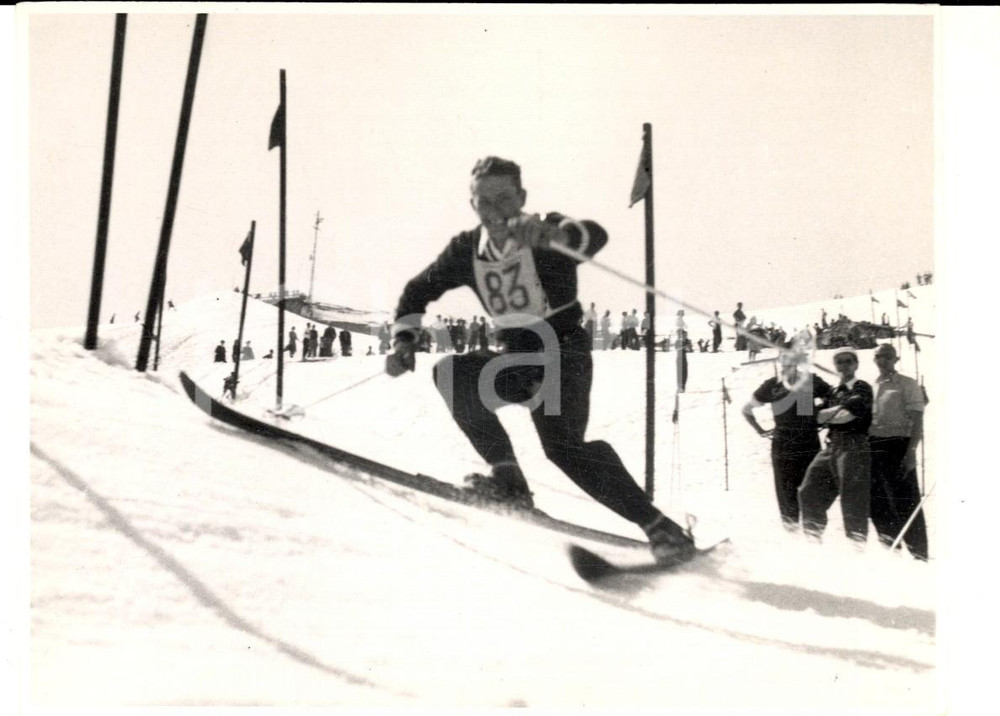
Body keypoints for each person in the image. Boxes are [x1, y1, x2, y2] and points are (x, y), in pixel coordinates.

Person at [385, 155, 695, 565]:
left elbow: (592, 236)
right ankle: (508, 478)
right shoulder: (466, 250)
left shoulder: (546, 229)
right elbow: (416, 290)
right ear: (472, 204)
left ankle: (661, 528)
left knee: (564, 449)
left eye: (504, 199)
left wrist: (552, 234)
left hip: (563, 353)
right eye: (484, 202)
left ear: (522, 198)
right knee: (452, 373)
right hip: (515, 359)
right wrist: (405, 338)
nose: (495, 211)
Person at [743, 350, 834, 531]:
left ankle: (814, 536)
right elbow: (747, 409)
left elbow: (833, 397)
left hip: (808, 442)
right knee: (786, 493)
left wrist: (819, 414)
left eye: (790, 362)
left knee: (811, 490)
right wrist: (760, 430)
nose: (786, 366)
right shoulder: (772, 385)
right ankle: (791, 535)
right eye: (783, 362)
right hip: (783, 445)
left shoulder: (810, 380)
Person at [797, 347, 874, 544]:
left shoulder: (862, 387)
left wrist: (828, 414)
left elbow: (845, 417)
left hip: (853, 445)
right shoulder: (834, 391)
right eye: (839, 362)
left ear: (856, 364)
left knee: (852, 499)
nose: (844, 365)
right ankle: (813, 540)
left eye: (848, 361)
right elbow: (812, 416)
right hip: (831, 446)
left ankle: (856, 547)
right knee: (808, 490)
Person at [868, 344, 928, 560]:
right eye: (878, 357)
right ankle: (891, 548)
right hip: (874, 447)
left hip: (898, 446)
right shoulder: (873, 386)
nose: (882, 360)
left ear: (896, 359)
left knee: (905, 500)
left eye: (887, 356)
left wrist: (911, 451)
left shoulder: (907, 384)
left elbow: (918, 420)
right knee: (877, 500)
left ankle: (919, 554)